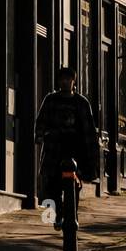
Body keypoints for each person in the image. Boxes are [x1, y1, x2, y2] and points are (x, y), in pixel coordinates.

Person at [34, 67, 99, 230]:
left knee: (74, 186)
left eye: (68, 79)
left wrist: (91, 151)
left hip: (75, 149)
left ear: (73, 81)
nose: (65, 82)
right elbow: (41, 120)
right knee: (53, 185)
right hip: (54, 149)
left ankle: (72, 215)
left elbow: (89, 129)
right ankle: (55, 216)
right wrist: (40, 135)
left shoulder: (81, 103)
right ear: (58, 81)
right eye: (62, 79)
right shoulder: (51, 100)